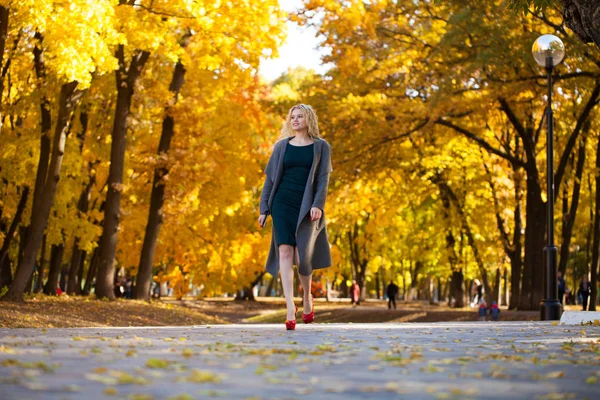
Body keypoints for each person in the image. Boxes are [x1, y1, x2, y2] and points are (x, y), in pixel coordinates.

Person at [258, 104, 333, 331]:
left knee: (303, 256)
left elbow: (322, 179)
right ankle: (290, 306)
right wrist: (264, 208)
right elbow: (270, 180)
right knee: (284, 250)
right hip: (281, 202)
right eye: (293, 117)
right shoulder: (282, 147)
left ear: (309, 119)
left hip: (307, 204)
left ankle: (307, 298)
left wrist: (318, 204)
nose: (296, 120)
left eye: (300, 116)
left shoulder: (321, 147)